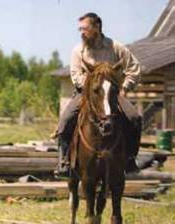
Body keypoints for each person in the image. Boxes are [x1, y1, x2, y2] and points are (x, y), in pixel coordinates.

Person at [54, 12, 142, 176]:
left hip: (112, 93)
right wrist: (91, 88)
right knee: (64, 122)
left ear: (97, 27)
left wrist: (124, 88)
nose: (81, 32)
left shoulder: (116, 47)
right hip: (85, 93)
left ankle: (130, 160)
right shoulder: (78, 50)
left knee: (134, 118)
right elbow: (76, 76)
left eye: (85, 28)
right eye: (79, 29)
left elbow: (134, 69)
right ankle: (64, 162)